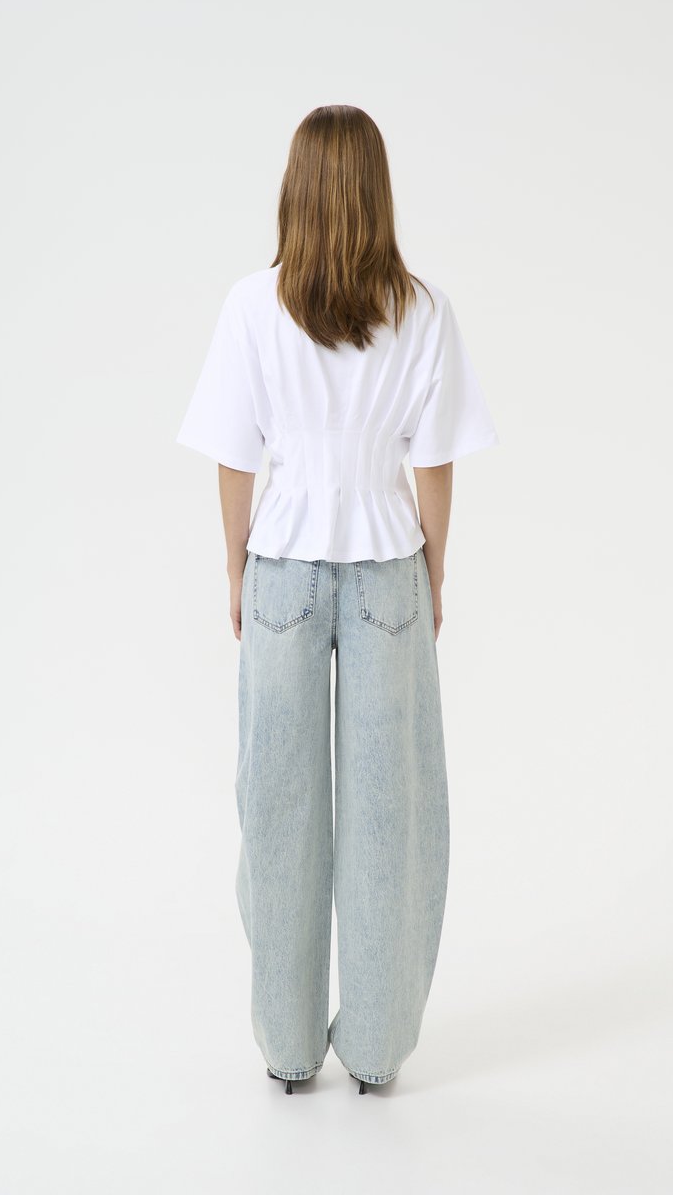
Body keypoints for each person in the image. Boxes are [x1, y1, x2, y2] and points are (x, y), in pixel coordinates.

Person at [176, 104, 500, 1095]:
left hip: (280, 563)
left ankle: (286, 1047)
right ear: (376, 191)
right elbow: (434, 462)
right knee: (390, 810)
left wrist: (234, 565)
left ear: (297, 189)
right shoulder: (422, 309)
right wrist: (434, 569)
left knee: (276, 806)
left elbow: (234, 457)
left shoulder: (250, 305)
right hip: (386, 563)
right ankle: (374, 1051)